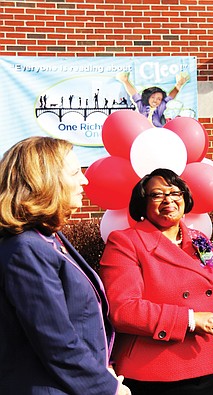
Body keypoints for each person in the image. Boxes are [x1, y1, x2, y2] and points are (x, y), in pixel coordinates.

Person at [99, 168, 213, 395]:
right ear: (143, 203)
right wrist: (189, 320)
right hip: (157, 371)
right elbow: (123, 309)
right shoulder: (125, 243)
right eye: (157, 195)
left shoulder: (200, 240)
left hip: (210, 362)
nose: (168, 200)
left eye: (175, 193)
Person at [0, 137, 131, 395]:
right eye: (74, 173)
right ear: (44, 182)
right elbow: (55, 340)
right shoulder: (26, 248)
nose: (84, 180)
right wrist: (107, 388)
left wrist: (103, 367)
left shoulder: (49, 238)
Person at [116, 71, 190, 127]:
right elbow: (134, 94)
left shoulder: (160, 108)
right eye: (153, 97)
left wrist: (179, 85)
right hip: (143, 132)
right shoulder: (142, 106)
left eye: (159, 99)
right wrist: (125, 81)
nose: (155, 101)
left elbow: (170, 96)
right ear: (148, 97)